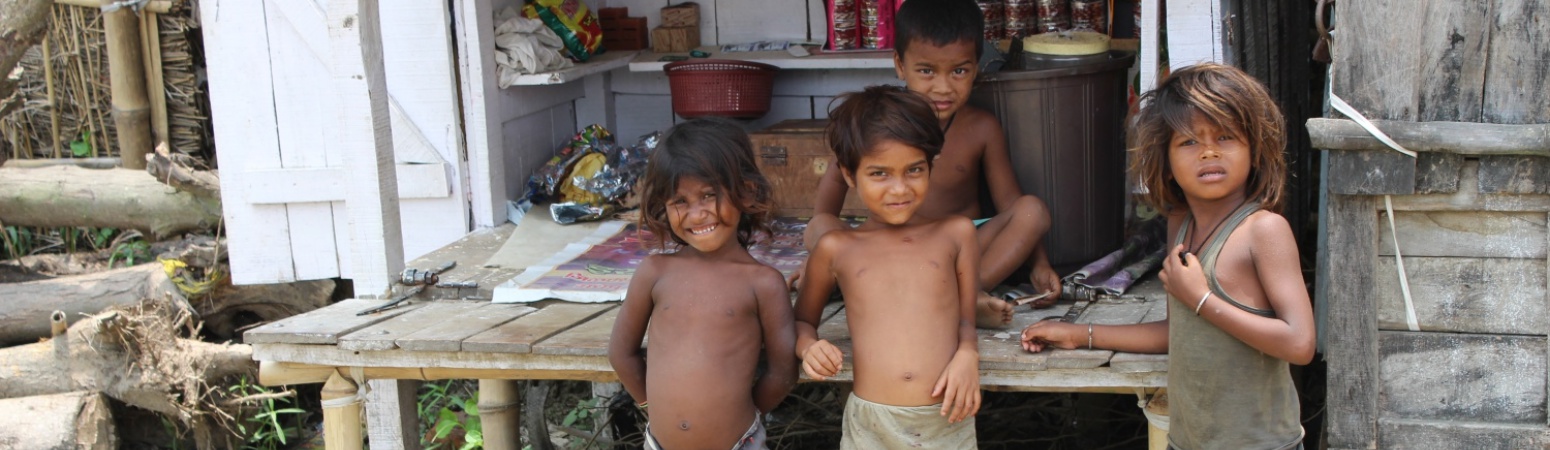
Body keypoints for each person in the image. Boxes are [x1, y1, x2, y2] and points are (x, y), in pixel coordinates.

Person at [1020, 63, 1315, 450]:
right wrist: (1080, 334)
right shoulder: (1182, 227)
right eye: (1189, 141)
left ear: (1254, 149)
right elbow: (1179, 332)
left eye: (1226, 137)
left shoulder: (1262, 230)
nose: (1208, 151)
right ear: (1167, 160)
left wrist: (1202, 299)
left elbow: (1299, 344)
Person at [802, 0, 1059, 329]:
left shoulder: (980, 128)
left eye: (959, 71)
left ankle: (963, 296)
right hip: (882, 248)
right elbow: (834, 187)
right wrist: (818, 258)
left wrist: (1038, 263)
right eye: (926, 71)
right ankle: (949, 300)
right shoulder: (878, 123)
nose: (943, 87)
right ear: (900, 64)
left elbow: (1011, 204)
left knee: (1032, 210)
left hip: (955, 252)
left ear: (976, 66)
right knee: (820, 226)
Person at [796, 85, 981, 449]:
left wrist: (967, 354)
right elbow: (801, 322)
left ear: (931, 165)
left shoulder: (956, 234)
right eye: (880, 174)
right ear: (849, 175)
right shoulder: (837, 248)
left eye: (914, 170)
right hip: (871, 424)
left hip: (947, 414)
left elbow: (966, 319)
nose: (899, 189)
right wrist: (807, 347)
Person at [608, 118, 798, 450]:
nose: (697, 215)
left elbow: (783, 373)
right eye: (680, 201)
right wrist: (653, 408)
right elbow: (621, 354)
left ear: (746, 192)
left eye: (709, 195)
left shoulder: (763, 283)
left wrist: (744, 416)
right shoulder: (655, 272)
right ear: (662, 206)